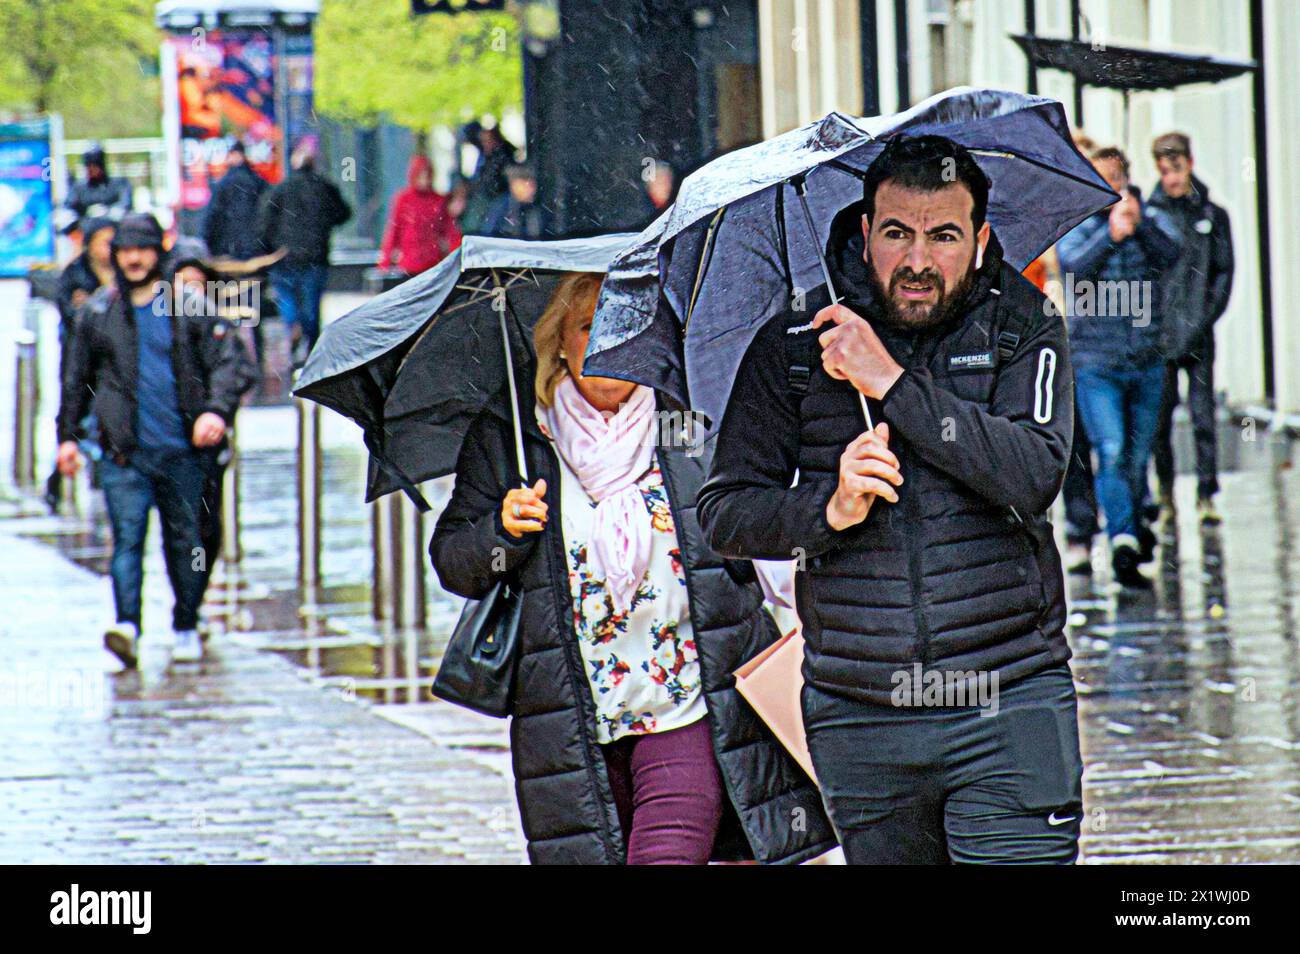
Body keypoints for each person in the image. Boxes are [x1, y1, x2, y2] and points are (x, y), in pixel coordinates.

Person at [698, 135, 1082, 864]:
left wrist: (892, 386)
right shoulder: (796, 344)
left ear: (980, 240)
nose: (917, 260)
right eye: (897, 233)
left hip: (1010, 697)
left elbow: (1035, 475)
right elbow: (725, 514)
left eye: (944, 235)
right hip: (860, 714)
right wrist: (828, 510)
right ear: (865, 232)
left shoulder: (1024, 326)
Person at [429, 272, 832, 866]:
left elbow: (751, 524)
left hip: (686, 706)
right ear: (559, 345)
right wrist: (501, 531)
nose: (607, 343)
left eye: (625, 326)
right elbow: (455, 564)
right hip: (569, 723)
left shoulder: (691, 424)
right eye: (589, 326)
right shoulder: (515, 436)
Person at [56, 213, 255, 668]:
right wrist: (68, 438)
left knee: (187, 541)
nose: (134, 258)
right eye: (126, 250)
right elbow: (75, 381)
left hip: (183, 452)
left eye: (143, 249)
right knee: (126, 539)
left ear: (158, 253)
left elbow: (232, 363)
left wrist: (214, 411)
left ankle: (186, 621)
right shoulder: (98, 314)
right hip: (123, 454)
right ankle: (127, 623)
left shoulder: (189, 308)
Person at [1057, 146, 1182, 589]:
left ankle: (1130, 523)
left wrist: (1139, 225)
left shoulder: (1146, 216)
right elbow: (1072, 266)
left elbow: (1172, 254)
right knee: (1108, 449)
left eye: (1116, 181)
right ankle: (1123, 538)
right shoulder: (1077, 221)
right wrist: (1109, 235)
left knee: (1135, 456)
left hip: (1146, 359)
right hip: (1096, 361)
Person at [167, 237, 258, 615]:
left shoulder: (218, 327)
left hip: (204, 444)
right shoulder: (156, 326)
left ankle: (191, 604)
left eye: (197, 284)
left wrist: (216, 412)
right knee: (173, 529)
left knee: (203, 525)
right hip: (164, 442)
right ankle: (182, 607)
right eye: (182, 284)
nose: (190, 293)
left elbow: (238, 370)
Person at [1147, 132, 1235, 526]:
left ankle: (1206, 493)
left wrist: (1205, 317)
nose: (1172, 178)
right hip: (1162, 338)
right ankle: (1166, 493)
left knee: (1203, 418)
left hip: (1199, 334)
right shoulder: (1150, 216)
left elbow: (1224, 272)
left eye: (1176, 168)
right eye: (1164, 171)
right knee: (1160, 422)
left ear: (1190, 163)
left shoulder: (1213, 216)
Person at [257, 138, 351, 365]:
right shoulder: (325, 188)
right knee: (311, 304)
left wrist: (270, 248)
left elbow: (264, 223)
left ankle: (293, 326)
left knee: (287, 298)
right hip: (314, 256)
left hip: (285, 257)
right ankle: (311, 344)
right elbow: (343, 214)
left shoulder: (280, 190)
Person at [45, 218, 117, 511]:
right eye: (103, 242)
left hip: (113, 365)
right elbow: (68, 310)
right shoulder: (76, 274)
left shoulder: (126, 275)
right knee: (78, 417)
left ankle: (101, 477)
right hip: (82, 361)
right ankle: (60, 479)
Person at [378, 155, 462, 276]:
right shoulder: (403, 199)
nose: (424, 181)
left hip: (433, 262)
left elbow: (450, 231)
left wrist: (458, 257)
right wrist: (384, 264)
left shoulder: (439, 200)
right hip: (409, 264)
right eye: (421, 176)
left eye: (427, 176)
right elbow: (393, 232)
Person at [202, 141, 268, 263]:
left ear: (233, 155)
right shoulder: (260, 184)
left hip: (226, 251)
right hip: (256, 252)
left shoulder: (222, 185)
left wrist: (209, 245)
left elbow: (211, 218)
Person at [459, 122, 517, 234]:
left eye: (487, 141)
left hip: (498, 196)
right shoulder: (486, 158)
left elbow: (494, 181)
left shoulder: (501, 157)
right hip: (487, 196)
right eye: (483, 141)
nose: (485, 144)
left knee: (489, 224)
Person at [63, 143, 131, 232]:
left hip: (113, 230)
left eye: (95, 165)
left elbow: (125, 205)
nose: (91, 169)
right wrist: (86, 214)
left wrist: (107, 212)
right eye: (88, 166)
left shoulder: (119, 184)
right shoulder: (79, 188)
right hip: (85, 231)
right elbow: (69, 207)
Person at [482, 164, 549, 240]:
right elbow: (487, 238)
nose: (532, 190)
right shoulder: (500, 208)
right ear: (514, 185)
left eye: (532, 185)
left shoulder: (537, 210)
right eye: (526, 184)